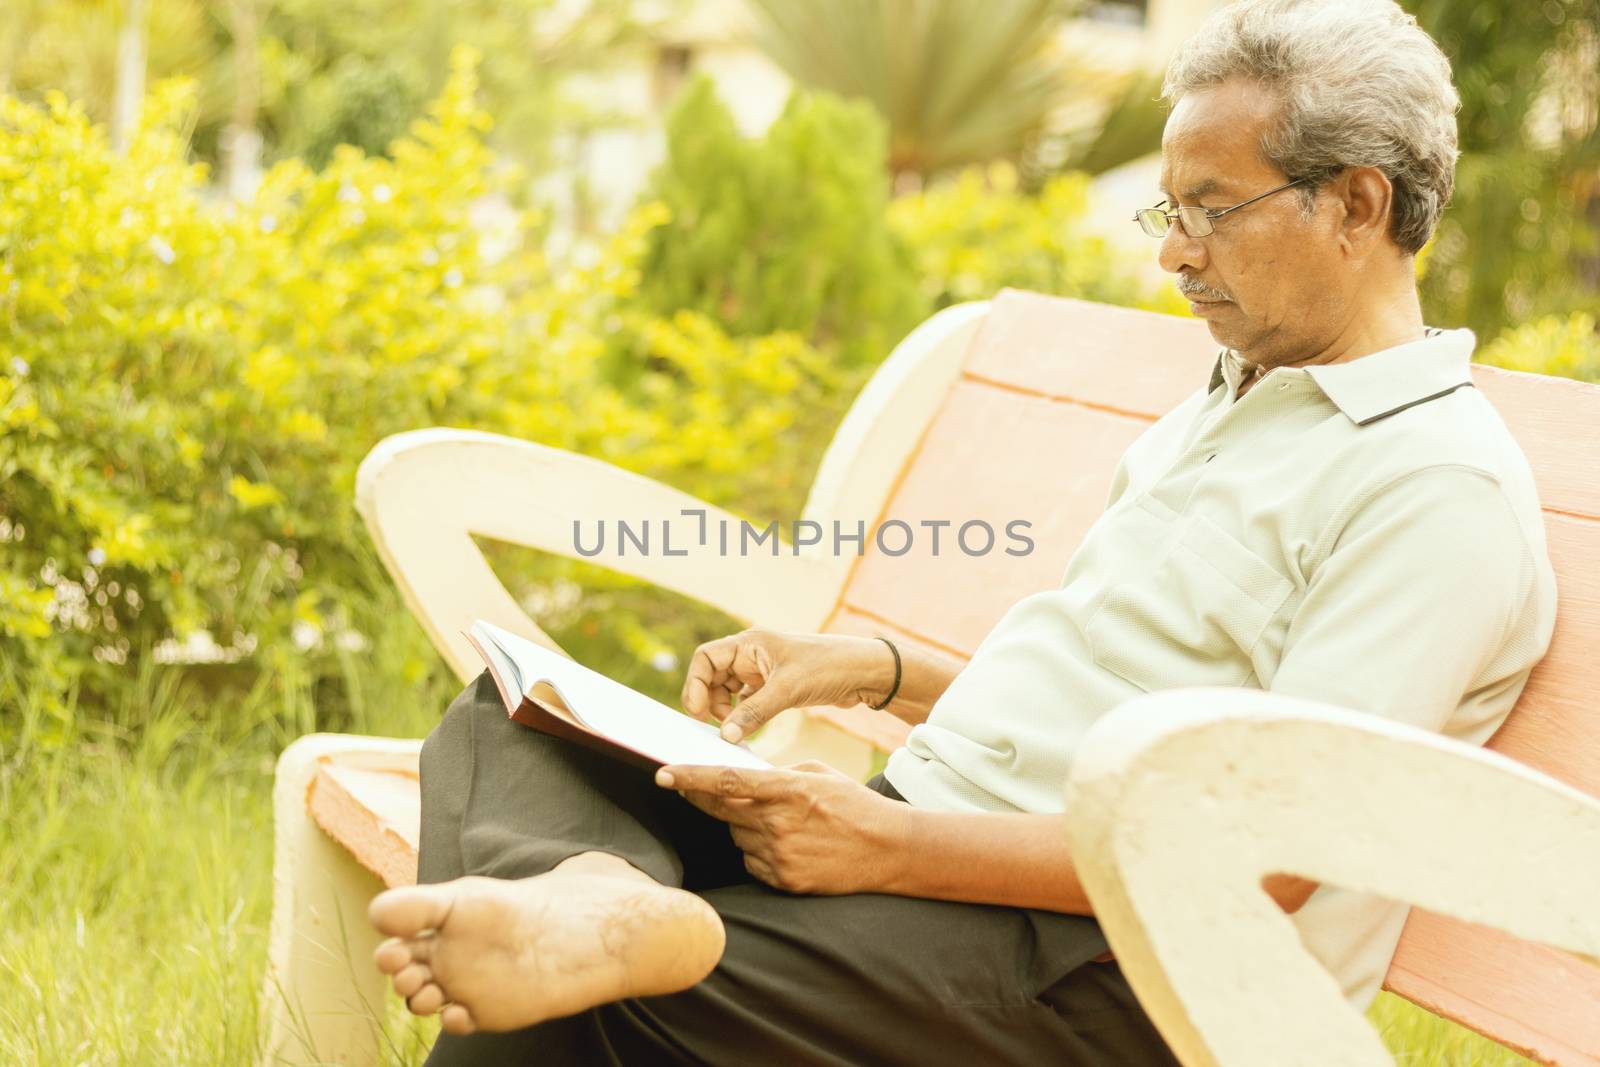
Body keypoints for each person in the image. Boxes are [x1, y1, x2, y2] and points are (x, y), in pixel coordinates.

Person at [366, 1, 1558, 1063]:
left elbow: (1269, 848)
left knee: (603, 1011)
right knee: (514, 715)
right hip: (940, 849)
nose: (1172, 251)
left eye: (1212, 209)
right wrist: (877, 672)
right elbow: (1106, 700)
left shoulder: (1429, 489)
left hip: (1120, 966)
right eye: (1168, 206)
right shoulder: (1239, 391)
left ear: (1356, 203)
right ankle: (590, 895)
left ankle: (600, 919)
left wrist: (885, 847)